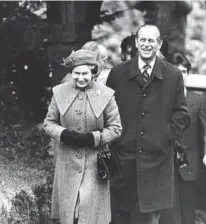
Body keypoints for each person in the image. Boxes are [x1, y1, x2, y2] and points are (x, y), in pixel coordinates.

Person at [106, 24, 191, 224]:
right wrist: (117, 139)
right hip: (123, 159)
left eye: (151, 40)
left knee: (147, 218)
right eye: (142, 40)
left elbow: (182, 114)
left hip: (157, 161)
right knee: (120, 216)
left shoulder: (173, 75)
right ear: (136, 42)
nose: (146, 44)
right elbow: (106, 112)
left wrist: (163, 135)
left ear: (159, 44)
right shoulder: (118, 73)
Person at [44, 49, 122, 224]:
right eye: (76, 73)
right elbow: (49, 123)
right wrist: (64, 134)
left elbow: (116, 128)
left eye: (85, 73)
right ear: (71, 73)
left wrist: (94, 138)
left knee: (89, 215)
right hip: (67, 162)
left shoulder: (106, 94)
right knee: (69, 214)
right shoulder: (59, 92)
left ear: (93, 72)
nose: (80, 78)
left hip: (95, 164)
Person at [159, 53, 206, 224]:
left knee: (188, 211)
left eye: (184, 71)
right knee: (167, 213)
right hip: (164, 164)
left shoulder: (199, 100)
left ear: (188, 74)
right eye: (177, 72)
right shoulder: (161, 99)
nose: (181, 75)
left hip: (190, 165)